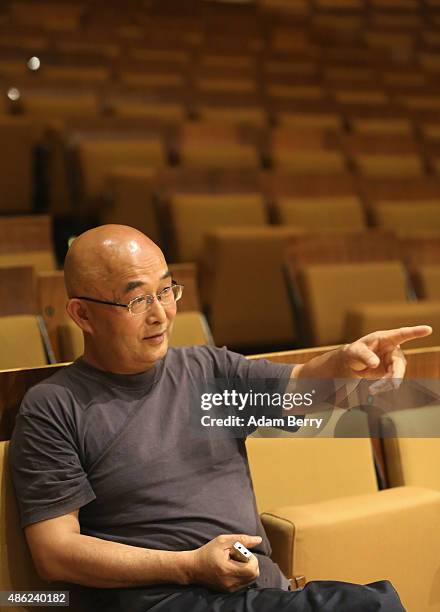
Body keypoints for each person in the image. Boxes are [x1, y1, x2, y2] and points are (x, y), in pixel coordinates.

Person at [10, 225, 430, 612]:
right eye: (137, 299)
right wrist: (189, 566)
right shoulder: (54, 407)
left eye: (166, 291)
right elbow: (55, 553)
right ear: (82, 315)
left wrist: (345, 362)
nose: (160, 313)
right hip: (162, 599)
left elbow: (300, 387)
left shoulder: (206, 370)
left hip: (257, 594)